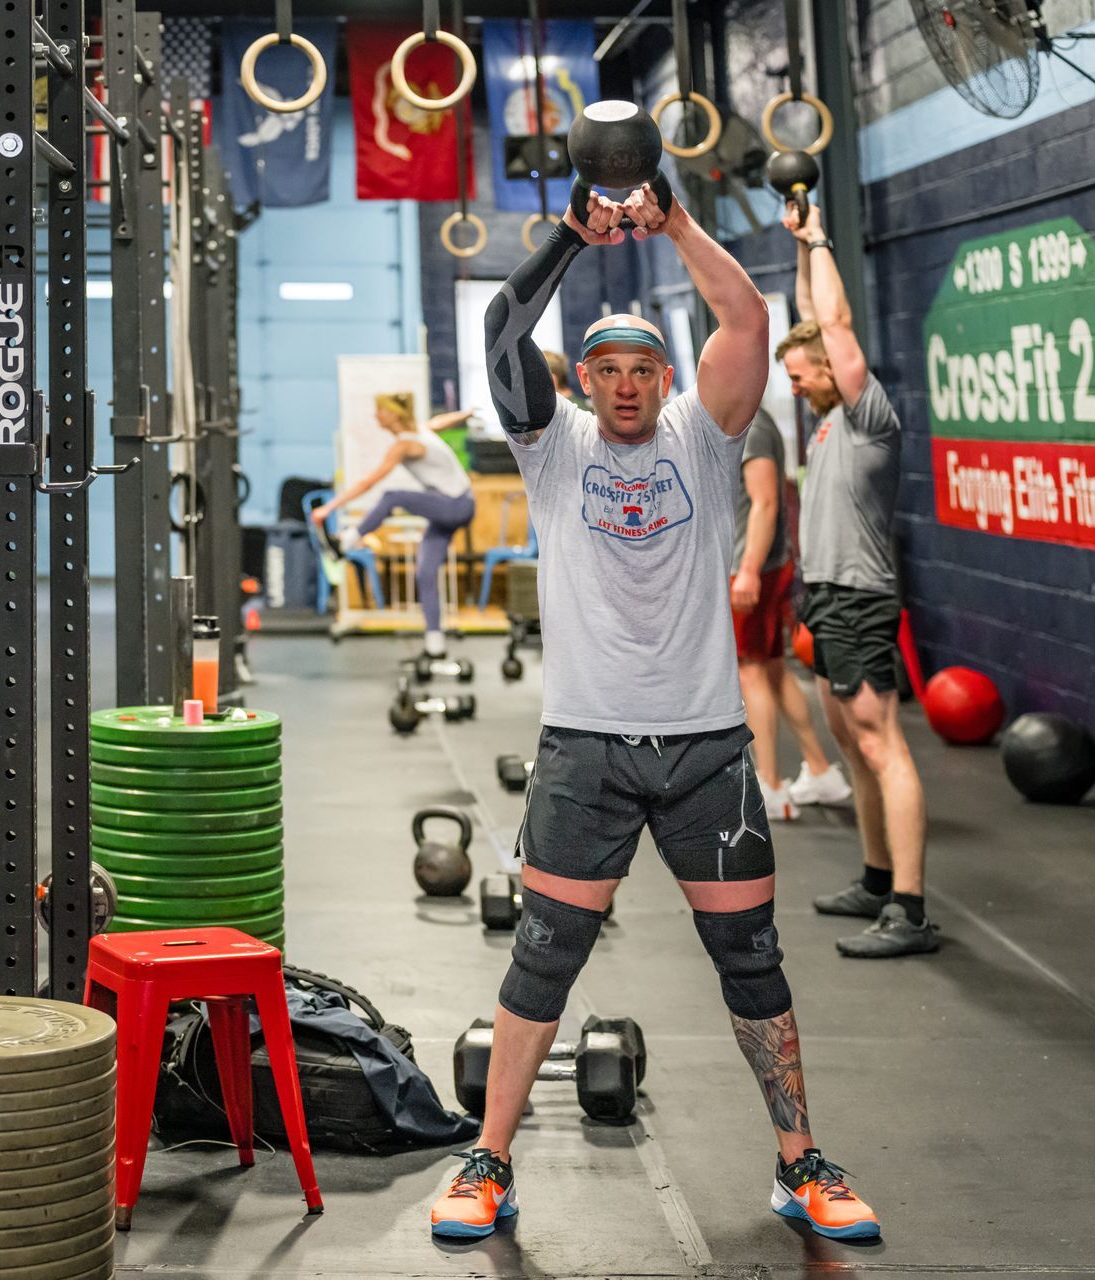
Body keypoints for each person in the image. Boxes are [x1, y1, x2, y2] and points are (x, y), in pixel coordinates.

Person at [427, 185, 880, 1244]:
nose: (626, 386)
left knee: (752, 956)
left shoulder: (707, 432)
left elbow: (751, 323)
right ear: (585, 381)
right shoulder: (554, 448)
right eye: (607, 371)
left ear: (666, 378)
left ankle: (798, 1159)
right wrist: (572, 238)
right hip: (586, 746)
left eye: (642, 369)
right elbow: (502, 328)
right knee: (544, 953)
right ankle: (488, 1160)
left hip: (707, 749)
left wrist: (675, 224)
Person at [778, 202, 937, 958]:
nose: (795, 381)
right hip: (826, 598)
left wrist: (817, 239)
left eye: (799, 371)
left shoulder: (868, 414)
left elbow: (832, 322)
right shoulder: (827, 421)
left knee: (882, 746)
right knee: (848, 739)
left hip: (861, 598)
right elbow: (813, 312)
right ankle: (876, 879)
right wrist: (802, 258)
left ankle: (908, 909)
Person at [731, 408, 851, 820]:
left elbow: (765, 501)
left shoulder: (753, 426)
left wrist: (747, 571)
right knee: (774, 671)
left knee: (751, 671)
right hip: (755, 565)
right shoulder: (738, 421)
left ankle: (771, 785)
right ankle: (820, 771)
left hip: (754, 569)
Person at [308, 393, 475, 657]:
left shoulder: (405, 445)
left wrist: (328, 508)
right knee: (425, 572)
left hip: (455, 505)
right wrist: (464, 414)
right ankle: (435, 643)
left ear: (393, 414)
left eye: (379, 411)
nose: (376, 416)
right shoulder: (420, 430)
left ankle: (347, 540)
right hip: (452, 506)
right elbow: (441, 422)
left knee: (392, 496)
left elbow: (368, 483)